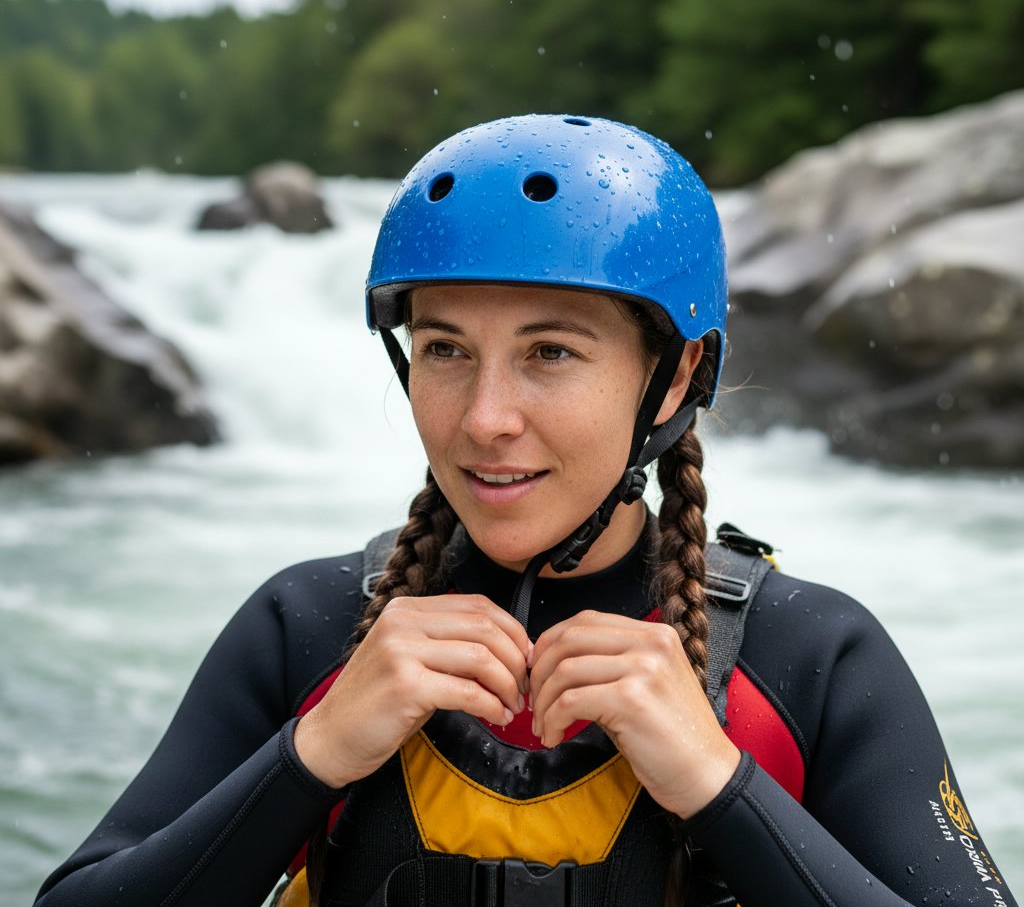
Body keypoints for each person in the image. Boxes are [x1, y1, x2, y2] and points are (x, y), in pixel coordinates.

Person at [34, 114, 1017, 907]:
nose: (484, 419)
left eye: (551, 351)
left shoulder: (812, 659)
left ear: (674, 376)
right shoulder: (307, 628)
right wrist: (316, 751)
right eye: (445, 349)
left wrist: (721, 787)